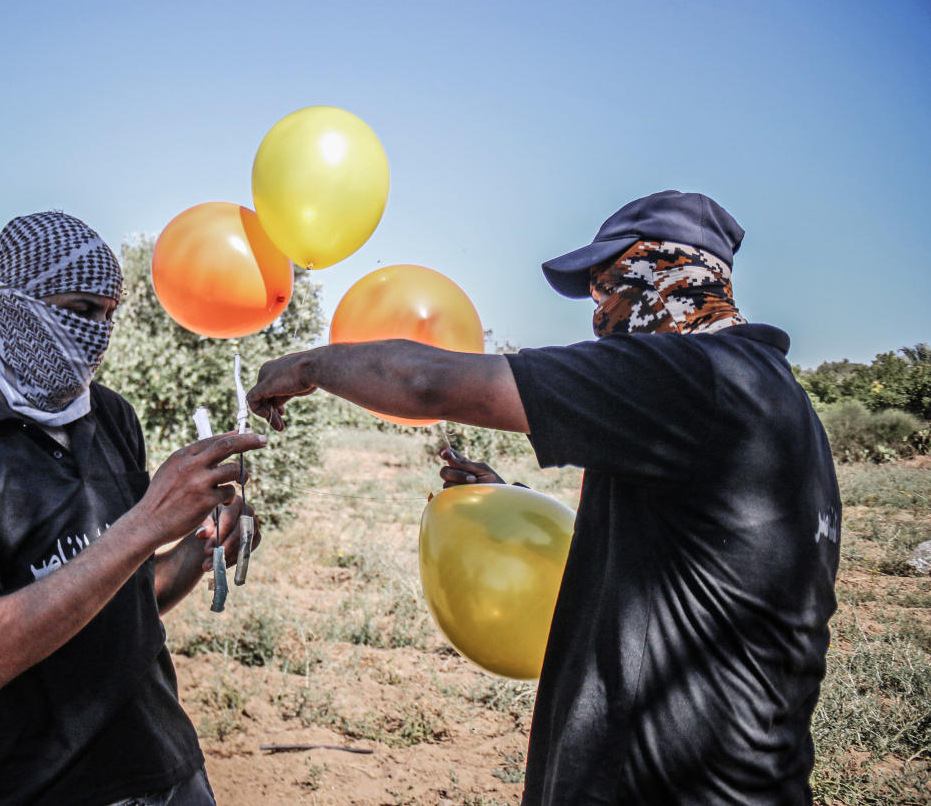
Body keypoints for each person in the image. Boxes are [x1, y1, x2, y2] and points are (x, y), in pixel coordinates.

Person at [247, 191, 840, 805]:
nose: (600, 312)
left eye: (608, 285)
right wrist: (508, 500)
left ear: (666, 273)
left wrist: (310, 365)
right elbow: (680, 551)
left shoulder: (697, 377)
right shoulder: (773, 400)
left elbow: (426, 383)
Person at [0, 211, 265, 805]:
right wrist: (145, 524)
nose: (98, 333)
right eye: (81, 311)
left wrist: (198, 545)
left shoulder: (110, 416)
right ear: (12, 305)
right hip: (36, 788)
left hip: (166, 769)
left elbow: (132, 600)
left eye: (108, 316)